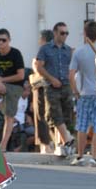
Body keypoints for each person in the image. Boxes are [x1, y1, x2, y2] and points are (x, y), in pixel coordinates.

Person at [68, 20, 96, 168]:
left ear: (85, 33)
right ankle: (94, 157)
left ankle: (79, 156)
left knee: (82, 126)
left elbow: (71, 74)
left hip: (85, 93)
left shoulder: (79, 52)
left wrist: (75, 91)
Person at [35, 22, 74, 157]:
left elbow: (72, 69)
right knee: (54, 114)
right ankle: (67, 140)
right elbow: (39, 67)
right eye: (62, 33)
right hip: (51, 86)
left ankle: (63, 144)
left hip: (65, 86)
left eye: (66, 33)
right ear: (55, 33)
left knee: (67, 116)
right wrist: (51, 79)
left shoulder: (68, 50)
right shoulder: (45, 49)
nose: (65, 36)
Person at [29, 29, 54, 153]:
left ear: (43, 39)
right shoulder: (56, 51)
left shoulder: (42, 52)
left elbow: (37, 70)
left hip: (41, 86)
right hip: (55, 87)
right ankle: (55, 142)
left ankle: (45, 144)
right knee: (53, 115)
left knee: (41, 115)